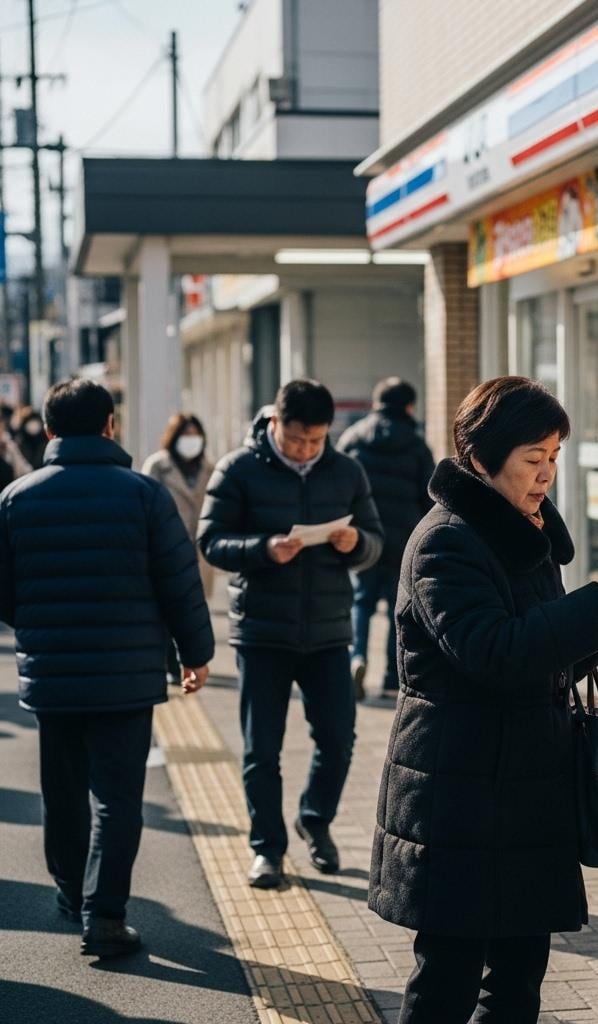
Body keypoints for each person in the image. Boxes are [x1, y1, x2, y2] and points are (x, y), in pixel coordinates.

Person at [368, 376, 598, 1024]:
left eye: (554, 457)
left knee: (517, 977)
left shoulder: (521, 534)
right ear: (482, 458)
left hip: (525, 790)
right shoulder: (445, 541)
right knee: (448, 977)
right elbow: (494, 653)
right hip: (458, 791)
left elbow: (544, 662)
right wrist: (596, 607)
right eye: (534, 459)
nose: (547, 475)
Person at [0, 378, 213, 959]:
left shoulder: (15, 499)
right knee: (117, 799)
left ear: (49, 430)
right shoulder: (144, 496)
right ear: (111, 425)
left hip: (53, 674)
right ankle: (105, 917)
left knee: (62, 791)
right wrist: (195, 653)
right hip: (126, 676)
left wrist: (36, 624)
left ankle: (69, 891)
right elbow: (180, 582)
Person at [199, 378, 384, 889]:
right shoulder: (238, 469)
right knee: (262, 749)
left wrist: (355, 542)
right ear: (275, 422)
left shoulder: (346, 471)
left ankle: (315, 820)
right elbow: (210, 540)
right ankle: (267, 849)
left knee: (338, 740)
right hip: (262, 632)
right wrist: (263, 549)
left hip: (328, 632)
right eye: (297, 438)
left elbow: (375, 542)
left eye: (316, 440)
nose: (305, 449)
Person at [336, 377, 434, 701]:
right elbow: (429, 497)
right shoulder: (417, 445)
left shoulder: (353, 438)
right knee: (398, 608)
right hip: (403, 540)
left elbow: (337, 488)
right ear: (409, 406)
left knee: (361, 602)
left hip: (363, 538)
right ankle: (393, 678)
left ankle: (356, 657)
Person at [142, 414, 216, 682]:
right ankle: (171, 662)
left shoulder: (209, 468)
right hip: (167, 547)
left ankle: (189, 660)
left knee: (192, 606)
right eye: (186, 434)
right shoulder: (158, 466)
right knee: (167, 606)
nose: (191, 440)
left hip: (199, 549)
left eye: (195, 435)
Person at [0, 409, 32, 512]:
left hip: (7, 496)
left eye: (2, 429)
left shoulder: (10, 447)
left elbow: (25, 469)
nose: (0, 433)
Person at [11, 405, 48, 469]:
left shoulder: (44, 440)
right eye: (30, 421)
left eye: (35, 421)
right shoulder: (20, 442)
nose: (33, 425)